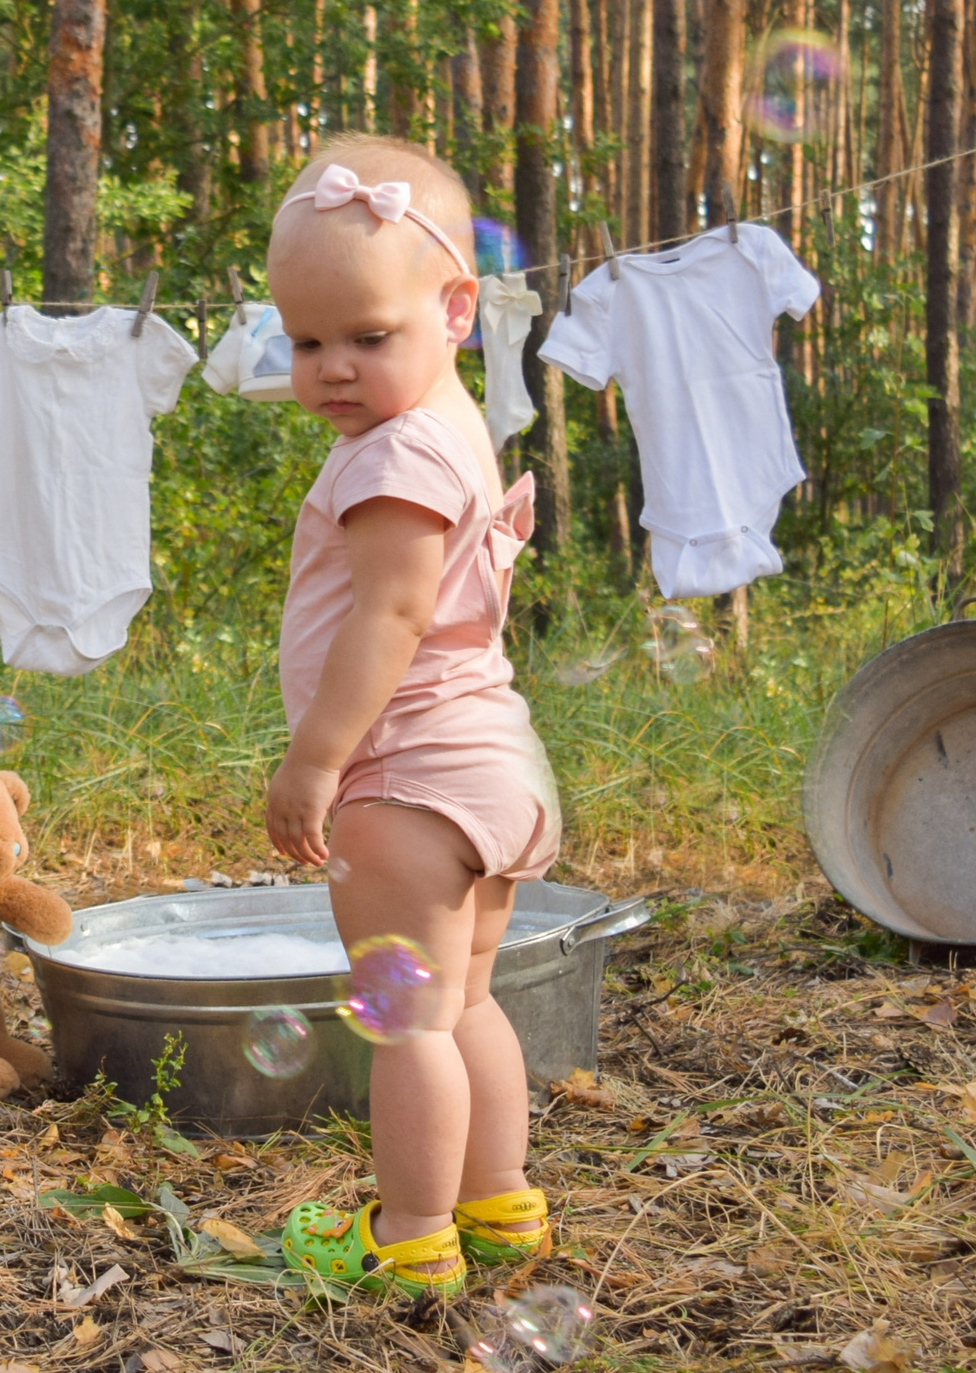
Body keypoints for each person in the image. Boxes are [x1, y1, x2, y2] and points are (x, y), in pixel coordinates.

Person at [263, 134, 563, 1299]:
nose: (332, 366)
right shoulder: (451, 430)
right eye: (306, 341)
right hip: (488, 765)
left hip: (403, 779)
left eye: (365, 337)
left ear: (454, 310)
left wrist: (315, 759)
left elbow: (386, 618)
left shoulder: (391, 460)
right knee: (467, 999)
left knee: (408, 1026)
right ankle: (500, 1207)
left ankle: (412, 1234)